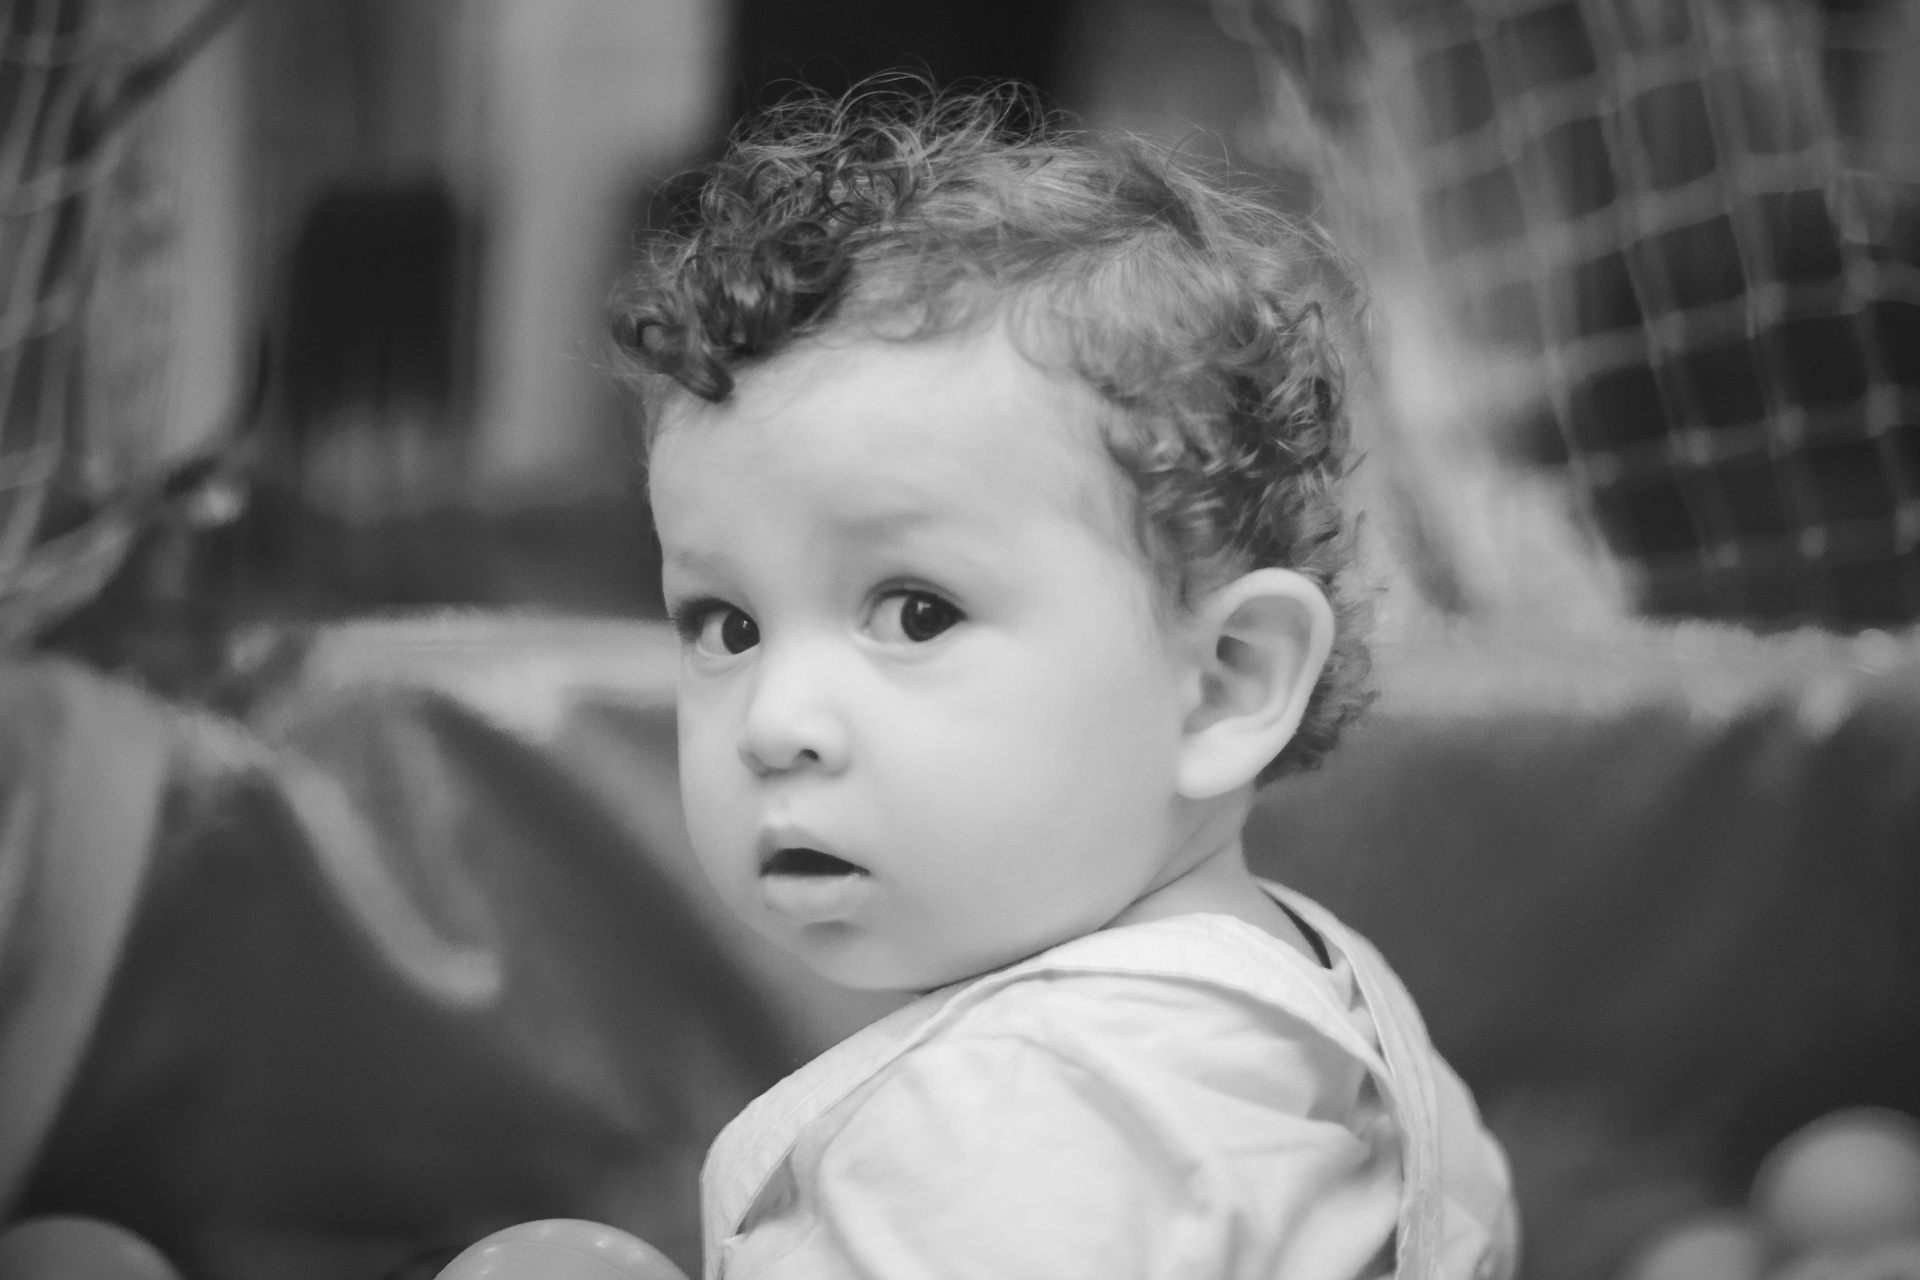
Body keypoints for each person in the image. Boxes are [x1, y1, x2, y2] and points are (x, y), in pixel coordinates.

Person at [607, 83, 1518, 1280]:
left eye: (916, 612)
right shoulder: (1338, 1012)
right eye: (727, 624)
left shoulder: (1003, 1129)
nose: (775, 723)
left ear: (1224, 682)